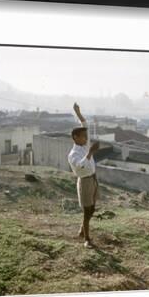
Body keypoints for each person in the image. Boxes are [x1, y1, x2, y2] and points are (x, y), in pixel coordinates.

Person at [67, 103, 100, 248]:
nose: (86, 138)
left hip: (93, 179)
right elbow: (80, 165)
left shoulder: (84, 146)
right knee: (87, 210)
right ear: (75, 137)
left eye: (86, 136)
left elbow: (85, 124)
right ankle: (87, 239)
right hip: (85, 182)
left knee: (92, 208)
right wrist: (90, 153)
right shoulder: (73, 154)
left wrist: (79, 113)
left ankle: (82, 230)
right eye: (83, 136)